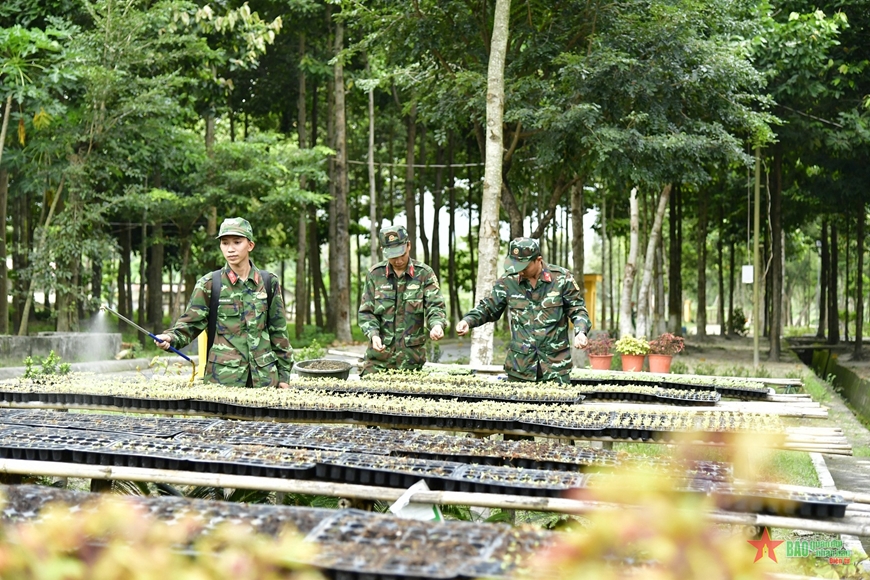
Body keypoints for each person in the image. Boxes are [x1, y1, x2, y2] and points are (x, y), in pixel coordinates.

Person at [154, 217, 293, 388]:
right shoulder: (210, 284)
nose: (230, 249)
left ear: (250, 245)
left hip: (265, 380)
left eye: (237, 242)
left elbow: (279, 332)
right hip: (223, 381)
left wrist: (284, 377)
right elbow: (190, 323)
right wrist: (170, 337)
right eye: (225, 243)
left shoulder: (268, 282)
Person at [456, 237, 590, 384]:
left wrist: (580, 331)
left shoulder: (561, 278)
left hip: (555, 367)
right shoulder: (508, 281)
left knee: (558, 406)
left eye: (524, 267)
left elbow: (577, 309)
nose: (519, 271)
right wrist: (468, 321)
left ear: (538, 260)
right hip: (520, 368)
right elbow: (489, 307)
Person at [358, 225, 447, 376]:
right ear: (383, 251)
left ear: (409, 246)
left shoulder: (424, 274)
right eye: (393, 256)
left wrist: (437, 325)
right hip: (379, 360)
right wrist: (373, 334)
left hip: (412, 360)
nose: (398, 260)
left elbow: (435, 307)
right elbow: (366, 313)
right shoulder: (375, 275)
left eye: (402, 254)